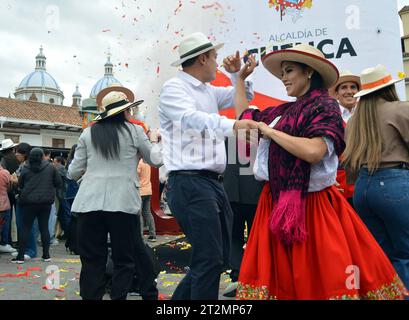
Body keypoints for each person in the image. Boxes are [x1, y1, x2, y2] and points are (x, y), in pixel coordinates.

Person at [234, 44, 408, 299]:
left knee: (319, 277)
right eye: (282, 72)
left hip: (311, 208)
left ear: (309, 73)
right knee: (284, 279)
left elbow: (314, 151)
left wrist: (270, 132)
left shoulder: (325, 106)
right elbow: (245, 115)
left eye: (289, 70)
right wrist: (239, 79)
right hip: (275, 205)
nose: (283, 77)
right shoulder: (282, 112)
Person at [159, 31, 258, 300]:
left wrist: (238, 75)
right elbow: (192, 119)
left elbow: (243, 95)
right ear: (202, 59)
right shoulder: (174, 88)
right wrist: (234, 124)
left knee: (216, 256)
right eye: (214, 57)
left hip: (211, 184)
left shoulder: (207, 90)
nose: (218, 62)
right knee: (209, 258)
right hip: (190, 183)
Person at [68, 87, 162, 300]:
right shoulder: (135, 131)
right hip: (122, 203)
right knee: (124, 260)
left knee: (92, 260)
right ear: (125, 112)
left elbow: (73, 172)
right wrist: (154, 140)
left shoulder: (88, 133)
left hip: (89, 204)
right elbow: (156, 160)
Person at [343, 64, 409, 295]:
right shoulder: (400, 109)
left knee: (379, 254)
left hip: (363, 187)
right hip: (395, 183)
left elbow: (348, 163)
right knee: (405, 253)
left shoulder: (353, 121)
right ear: (389, 87)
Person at [222, 131, 263, 297]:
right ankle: (254, 274)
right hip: (255, 195)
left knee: (234, 236)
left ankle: (237, 274)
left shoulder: (229, 136)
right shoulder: (261, 137)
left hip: (232, 193)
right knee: (256, 237)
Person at [12, 148, 62, 264]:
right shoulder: (50, 168)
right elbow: (58, 183)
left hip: (28, 202)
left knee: (25, 228)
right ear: (42, 156)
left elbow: (20, 184)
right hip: (45, 202)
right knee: (44, 228)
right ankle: (46, 255)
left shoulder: (25, 168)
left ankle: (20, 257)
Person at [329, 71, 361, 205]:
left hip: (364, 181)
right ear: (336, 94)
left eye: (353, 87)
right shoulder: (330, 116)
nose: (349, 91)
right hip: (339, 182)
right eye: (344, 87)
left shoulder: (365, 115)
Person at [11, 142, 38, 261]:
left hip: (27, 200)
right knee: (21, 225)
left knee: (27, 226)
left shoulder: (27, 166)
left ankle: (30, 250)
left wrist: (13, 179)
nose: (16, 154)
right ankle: (24, 249)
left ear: (25, 154)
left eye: (18, 152)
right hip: (23, 199)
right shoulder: (24, 165)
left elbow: (22, 183)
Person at [0, 139, 19, 254]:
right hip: (11, 193)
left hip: (5, 194)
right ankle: (9, 241)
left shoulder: (4, 160)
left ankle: (6, 241)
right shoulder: (16, 159)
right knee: (11, 218)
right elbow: (9, 185)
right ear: (12, 149)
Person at [137, 159, 157, 242]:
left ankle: (140, 236)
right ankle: (153, 234)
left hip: (141, 191)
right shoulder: (148, 163)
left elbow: (135, 175)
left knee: (139, 214)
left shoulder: (139, 163)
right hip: (148, 190)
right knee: (147, 213)